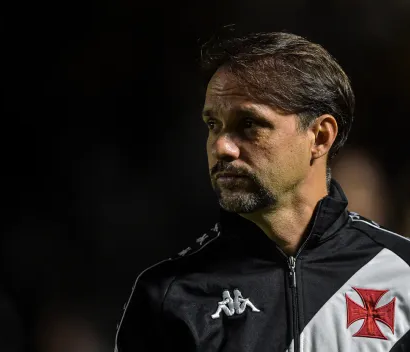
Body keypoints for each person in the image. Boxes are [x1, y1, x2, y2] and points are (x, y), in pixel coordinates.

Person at [114, 32, 410, 352]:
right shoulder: (170, 296)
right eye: (213, 124)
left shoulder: (402, 273)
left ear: (320, 137)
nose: (221, 147)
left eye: (249, 124)